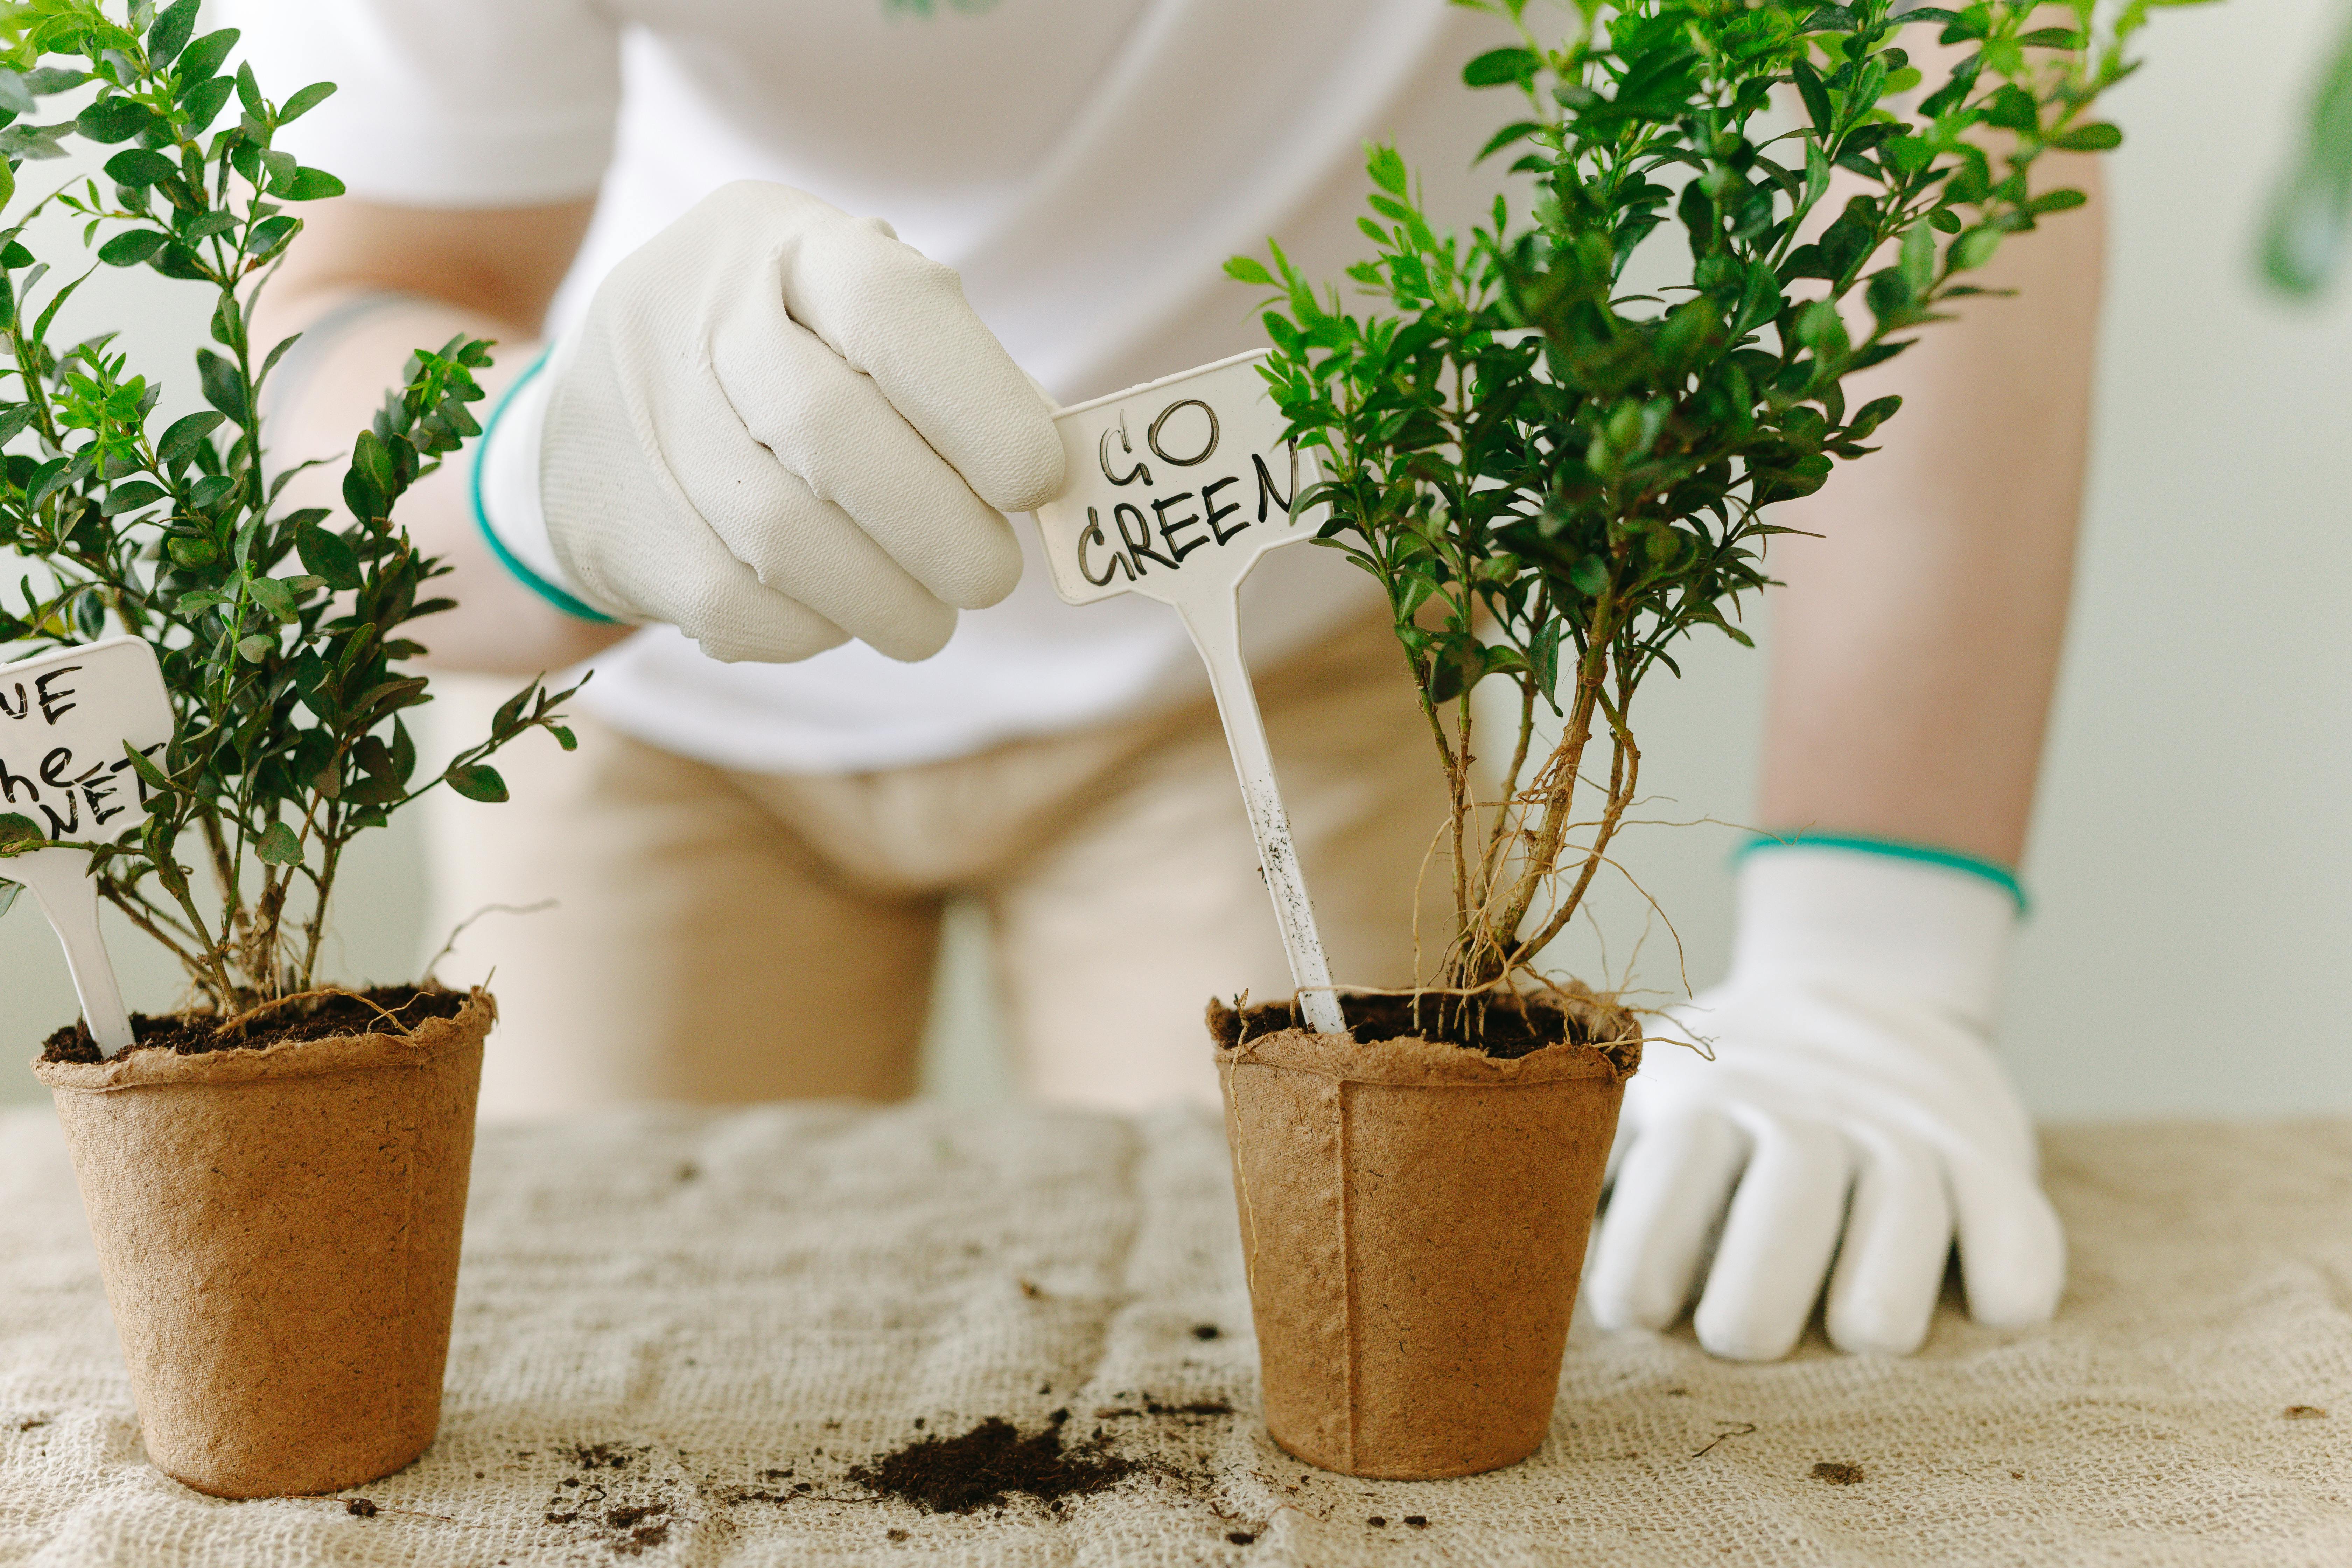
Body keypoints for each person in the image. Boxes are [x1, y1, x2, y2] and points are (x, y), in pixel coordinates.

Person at [233, 0, 2100, 1364]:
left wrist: (1882, 942)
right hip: (662, 689)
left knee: (1342, 1358)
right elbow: (353, 297)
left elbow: (1956, 92)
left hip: (1271, 676)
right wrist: (540, 476)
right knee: (615, 1371)